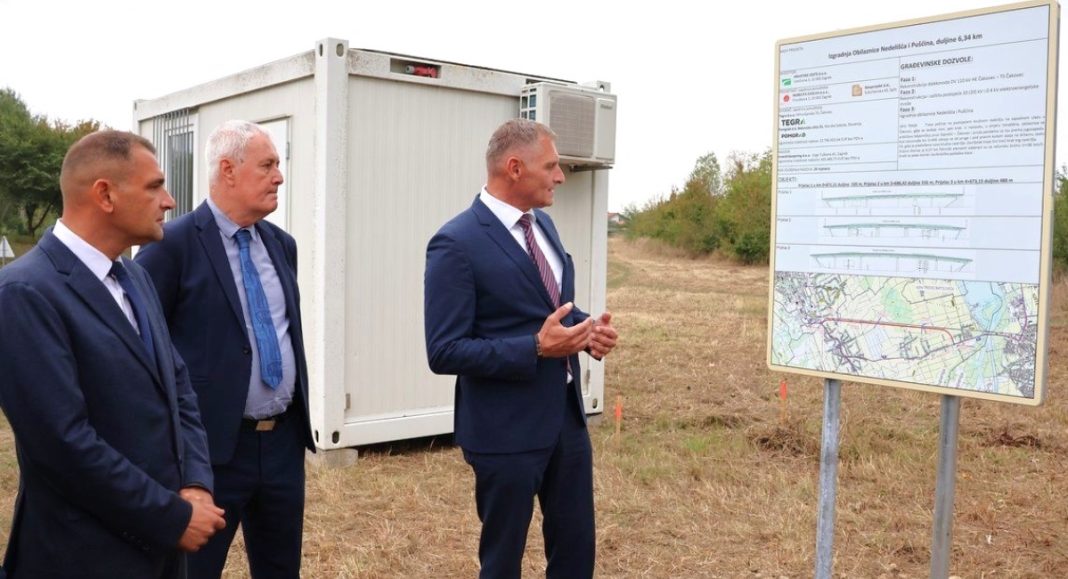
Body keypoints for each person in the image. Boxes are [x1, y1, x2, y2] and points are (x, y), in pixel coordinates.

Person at [0, 130, 225, 578]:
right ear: (104, 194)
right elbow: (63, 446)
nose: (170, 200)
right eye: (154, 186)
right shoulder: (24, 293)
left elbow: (177, 388)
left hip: (157, 552)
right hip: (82, 556)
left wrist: (196, 484)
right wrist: (172, 517)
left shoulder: (133, 276)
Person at [424, 118, 619, 578]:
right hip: (504, 432)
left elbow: (549, 307)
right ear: (514, 167)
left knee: (575, 555)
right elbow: (444, 350)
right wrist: (534, 348)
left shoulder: (544, 226)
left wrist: (585, 330)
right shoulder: (456, 243)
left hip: (566, 424)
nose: (560, 176)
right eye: (551, 165)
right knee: (502, 562)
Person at [136, 120, 313, 578]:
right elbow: (143, 352)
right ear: (228, 171)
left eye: (279, 164)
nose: (279, 176)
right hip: (209, 453)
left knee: (280, 568)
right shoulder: (169, 246)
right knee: (192, 571)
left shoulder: (281, 245)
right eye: (268, 165)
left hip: (281, 446)